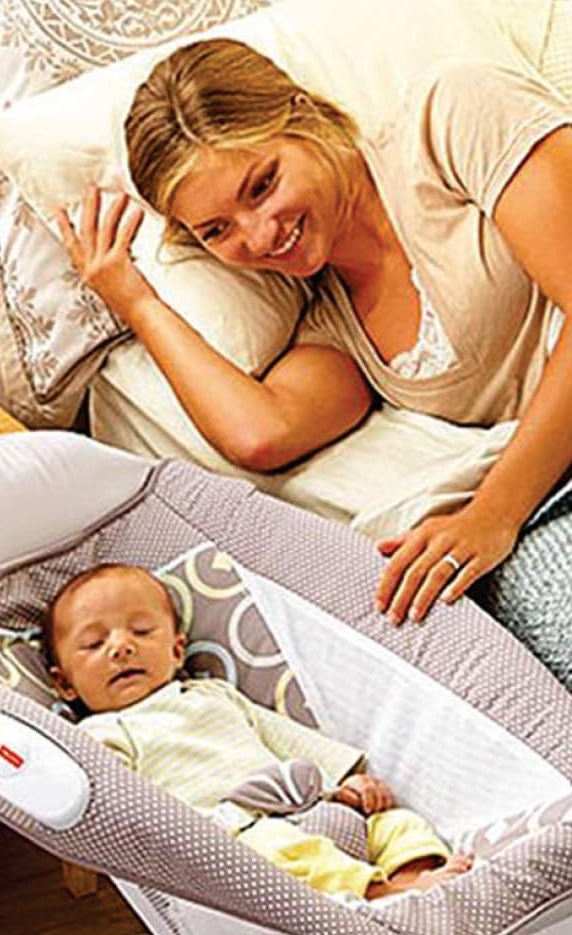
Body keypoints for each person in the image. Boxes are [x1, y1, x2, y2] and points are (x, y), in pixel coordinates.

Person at [51, 38, 572, 628]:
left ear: (303, 115)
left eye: (262, 185)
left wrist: (493, 515)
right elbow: (261, 435)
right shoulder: (334, 329)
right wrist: (135, 300)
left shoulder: (449, 115)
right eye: (217, 230)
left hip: (526, 501)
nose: (259, 236)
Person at [44, 561, 473, 900]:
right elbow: (121, 804)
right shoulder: (102, 733)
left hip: (310, 805)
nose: (122, 646)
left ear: (177, 650)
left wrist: (343, 782)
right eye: (95, 644)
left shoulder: (214, 694)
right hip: (237, 835)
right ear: (64, 683)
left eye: (141, 631)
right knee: (281, 856)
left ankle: (416, 879)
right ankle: (384, 893)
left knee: (396, 823)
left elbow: (285, 739)